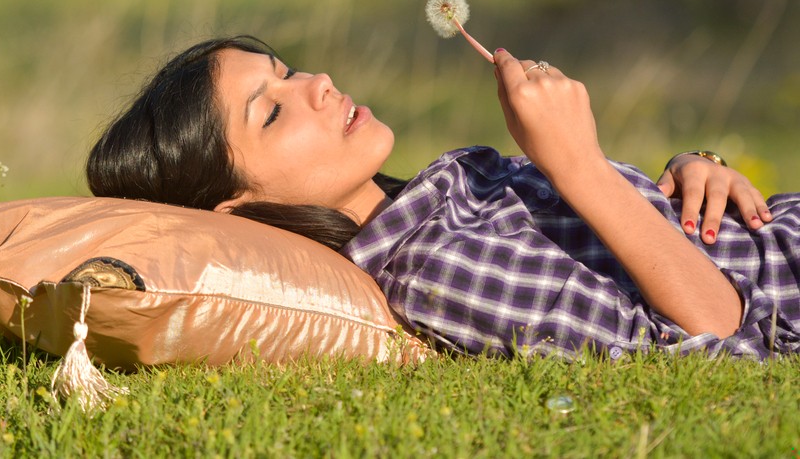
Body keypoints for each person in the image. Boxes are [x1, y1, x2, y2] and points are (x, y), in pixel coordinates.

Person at [87, 36, 799, 359]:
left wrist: (693, 169)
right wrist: (579, 165)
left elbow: (647, 239)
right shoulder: (431, 270)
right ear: (237, 210)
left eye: (289, 70)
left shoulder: (440, 196)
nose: (319, 81)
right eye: (270, 111)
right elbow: (718, 325)